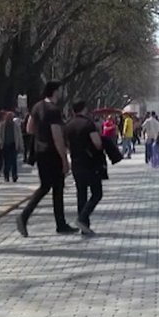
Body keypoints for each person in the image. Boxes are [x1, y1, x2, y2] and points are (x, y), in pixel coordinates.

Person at [16, 81, 78, 237]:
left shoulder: (37, 107)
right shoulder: (53, 110)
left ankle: (60, 223)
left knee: (51, 186)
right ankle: (25, 216)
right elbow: (57, 135)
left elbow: (29, 128)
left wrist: (41, 134)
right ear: (55, 91)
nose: (61, 93)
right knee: (52, 188)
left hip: (40, 152)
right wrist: (64, 158)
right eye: (60, 90)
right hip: (52, 153)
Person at [65, 100, 104, 236]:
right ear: (84, 109)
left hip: (76, 162)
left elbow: (67, 145)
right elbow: (97, 143)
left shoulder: (68, 125)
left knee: (81, 193)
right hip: (90, 163)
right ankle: (82, 218)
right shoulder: (88, 124)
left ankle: (84, 226)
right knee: (97, 193)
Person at [0, 111, 23, 182]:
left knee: (14, 161)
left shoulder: (16, 125)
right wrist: (1, 142)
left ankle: (14, 175)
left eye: (11, 117)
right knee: (7, 162)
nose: (10, 118)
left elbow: (19, 136)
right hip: (5, 145)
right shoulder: (2, 125)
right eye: (8, 117)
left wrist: (21, 146)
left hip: (13, 145)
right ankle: (6, 176)